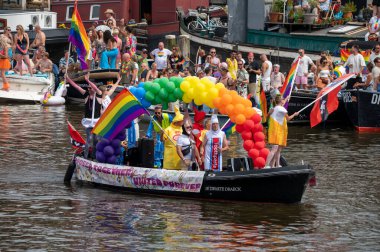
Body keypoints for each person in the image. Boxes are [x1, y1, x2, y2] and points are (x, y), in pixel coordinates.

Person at [66, 73, 103, 159]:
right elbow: (77, 87)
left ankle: (94, 157)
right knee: (89, 140)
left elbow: (96, 88)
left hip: (96, 122)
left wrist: (88, 80)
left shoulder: (99, 95)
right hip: (88, 122)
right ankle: (86, 157)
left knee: (96, 140)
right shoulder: (86, 95)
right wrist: (69, 80)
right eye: (88, 87)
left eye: (90, 87)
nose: (89, 89)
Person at [266, 95, 299, 168]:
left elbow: (267, 117)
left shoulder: (274, 108)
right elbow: (288, 119)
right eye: (283, 99)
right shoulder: (282, 109)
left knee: (278, 150)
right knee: (274, 149)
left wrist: (287, 98)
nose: (284, 100)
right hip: (277, 130)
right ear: (280, 101)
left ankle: (275, 165)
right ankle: (266, 166)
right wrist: (295, 114)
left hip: (276, 130)